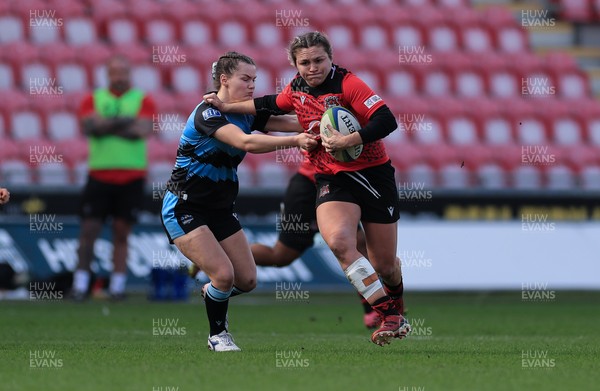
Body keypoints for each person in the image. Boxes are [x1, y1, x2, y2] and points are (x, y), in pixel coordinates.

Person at [203, 31, 410, 346]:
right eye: (304, 62)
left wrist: (347, 140)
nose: (312, 68)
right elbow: (267, 104)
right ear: (295, 64)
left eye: (319, 60)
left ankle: (396, 303)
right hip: (332, 178)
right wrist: (226, 104)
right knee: (340, 243)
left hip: (373, 176)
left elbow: (386, 120)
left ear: (330, 58)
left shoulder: (348, 84)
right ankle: (387, 314)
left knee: (385, 265)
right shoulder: (296, 88)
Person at [161, 52, 317, 352]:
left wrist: (322, 120)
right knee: (223, 274)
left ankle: (212, 294)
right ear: (224, 79)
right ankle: (217, 335)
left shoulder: (246, 112)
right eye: (245, 79)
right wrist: (296, 141)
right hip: (184, 207)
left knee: (246, 280)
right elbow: (245, 142)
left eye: (254, 80)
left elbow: (289, 122)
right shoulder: (208, 113)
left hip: (219, 210)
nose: (251, 85)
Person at [248, 153, 392, 329]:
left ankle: (372, 308)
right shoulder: (321, 125)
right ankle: (228, 254)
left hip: (338, 185)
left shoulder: (363, 127)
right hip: (307, 188)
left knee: (358, 242)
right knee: (281, 256)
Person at [71, 55, 157, 301]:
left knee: (122, 232)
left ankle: (117, 287)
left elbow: (141, 131)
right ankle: (81, 284)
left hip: (132, 174)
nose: (119, 76)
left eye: (122, 72)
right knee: (89, 230)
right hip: (99, 172)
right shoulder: (93, 98)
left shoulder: (143, 99)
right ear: (108, 74)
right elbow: (89, 127)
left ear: (129, 73)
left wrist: (106, 124)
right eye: (114, 72)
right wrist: (124, 122)